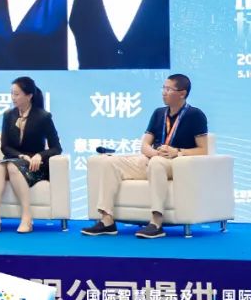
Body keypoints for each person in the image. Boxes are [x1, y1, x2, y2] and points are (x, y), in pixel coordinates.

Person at [82, 74, 208, 239]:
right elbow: (144, 145)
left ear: (182, 93)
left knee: (157, 163)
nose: (164, 92)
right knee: (109, 162)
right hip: (153, 158)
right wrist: (155, 153)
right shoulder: (159, 113)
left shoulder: (195, 115)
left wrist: (177, 152)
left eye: (168, 89)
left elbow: (203, 150)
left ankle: (156, 222)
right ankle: (107, 221)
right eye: (163, 88)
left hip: (177, 163)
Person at [0, 76, 62, 234]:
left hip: (34, 165)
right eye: (12, 94)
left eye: (17, 94)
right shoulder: (8, 115)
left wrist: (40, 155)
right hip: (14, 159)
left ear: (29, 96)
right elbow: (5, 146)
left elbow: (56, 148)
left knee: (12, 167)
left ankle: (27, 217)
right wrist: (20, 156)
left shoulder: (43, 117)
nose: (13, 98)